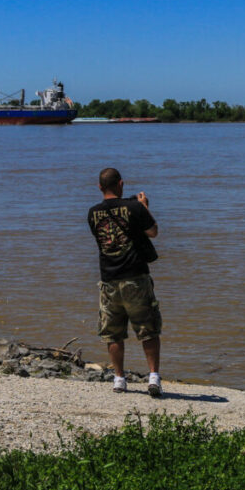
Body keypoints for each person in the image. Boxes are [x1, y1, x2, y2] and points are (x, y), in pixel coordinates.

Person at [87, 167, 162, 397]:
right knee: (147, 329)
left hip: (109, 279)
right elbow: (153, 232)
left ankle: (119, 378)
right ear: (121, 184)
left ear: (100, 187)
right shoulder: (135, 207)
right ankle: (153, 378)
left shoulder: (92, 213)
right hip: (135, 277)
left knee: (113, 333)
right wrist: (145, 207)